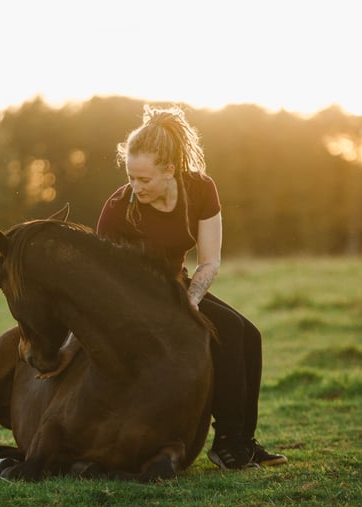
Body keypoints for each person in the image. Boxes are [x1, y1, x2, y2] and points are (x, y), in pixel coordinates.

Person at [46, 105, 286, 469]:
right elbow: (101, 283)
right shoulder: (117, 210)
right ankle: (225, 446)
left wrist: (189, 302)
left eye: (144, 179)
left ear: (170, 170)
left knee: (249, 335)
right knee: (230, 330)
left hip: (178, 288)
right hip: (133, 300)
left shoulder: (201, 189)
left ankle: (242, 442)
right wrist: (68, 345)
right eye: (131, 176)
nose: (135, 187)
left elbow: (210, 261)